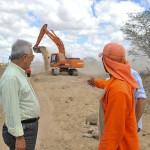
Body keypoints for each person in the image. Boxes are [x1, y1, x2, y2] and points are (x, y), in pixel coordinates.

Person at [87, 43, 139, 149]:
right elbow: (108, 84)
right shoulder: (118, 81)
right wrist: (95, 82)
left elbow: (114, 130)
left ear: (105, 61)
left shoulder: (119, 90)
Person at [0, 39, 40, 150]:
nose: (32, 60)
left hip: (26, 128)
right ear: (24, 57)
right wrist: (19, 137)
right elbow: (11, 109)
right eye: (32, 57)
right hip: (23, 131)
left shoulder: (18, 72)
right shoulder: (11, 77)